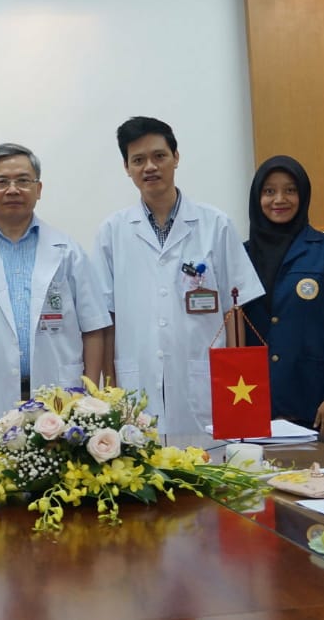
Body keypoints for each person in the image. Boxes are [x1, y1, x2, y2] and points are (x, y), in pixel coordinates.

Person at [95, 116, 263, 436]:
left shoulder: (216, 224)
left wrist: (235, 376)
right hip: (136, 378)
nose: (150, 167)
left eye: (159, 156)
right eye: (138, 160)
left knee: (205, 473)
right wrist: (110, 386)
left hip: (205, 380)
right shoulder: (112, 233)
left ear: (176, 157)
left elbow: (235, 309)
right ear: (126, 167)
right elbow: (107, 316)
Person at [0, 143, 108, 439]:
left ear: (38, 188)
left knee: (60, 484)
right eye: (1, 182)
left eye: (23, 180)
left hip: (60, 396)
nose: (13, 189)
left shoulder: (68, 251)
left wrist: (90, 397)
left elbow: (93, 329)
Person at [242, 156, 324, 439]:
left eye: (290, 190)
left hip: (319, 407)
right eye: (269, 191)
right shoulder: (240, 256)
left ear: (304, 195)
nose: (279, 199)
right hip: (254, 404)